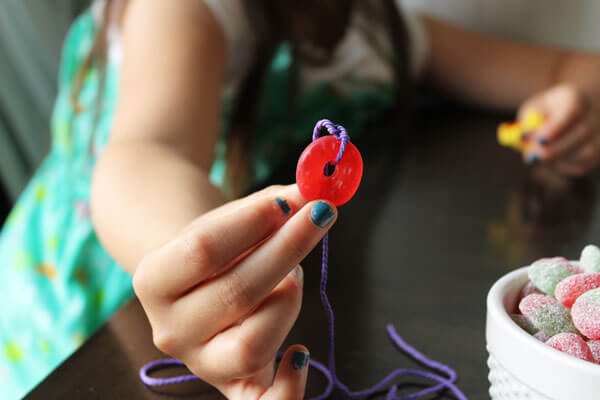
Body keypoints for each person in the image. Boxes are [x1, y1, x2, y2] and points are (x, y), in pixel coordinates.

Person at [2, 0, 600, 398]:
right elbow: (147, 154)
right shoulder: (185, 10)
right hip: (81, 310)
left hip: (277, 300)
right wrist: (215, 273)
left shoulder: (377, 33)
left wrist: (571, 103)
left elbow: (569, 65)